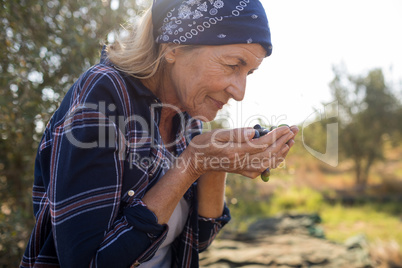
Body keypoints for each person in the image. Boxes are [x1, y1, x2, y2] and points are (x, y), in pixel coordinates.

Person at [21, 0, 299, 267]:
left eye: (248, 73)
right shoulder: (105, 94)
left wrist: (215, 164)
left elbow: (196, 240)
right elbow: (88, 262)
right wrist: (192, 164)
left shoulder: (187, 116)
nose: (239, 92)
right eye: (231, 65)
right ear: (173, 47)